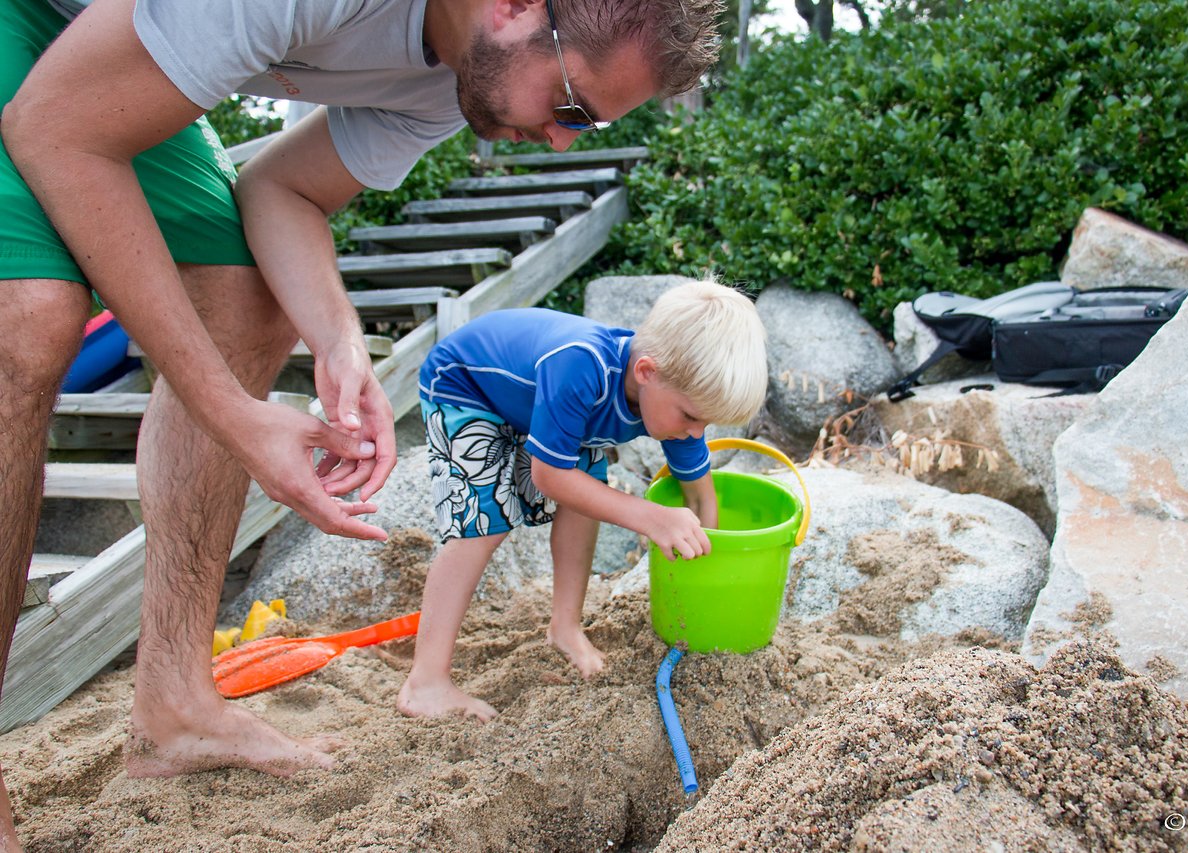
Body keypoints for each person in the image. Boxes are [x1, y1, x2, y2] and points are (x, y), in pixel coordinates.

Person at [0, 0, 725, 846]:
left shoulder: (453, 71)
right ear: (515, 7)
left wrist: (340, 342)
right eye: (573, 107)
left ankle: (176, 702)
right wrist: (235, 415)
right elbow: (58, 127)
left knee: (247, 301)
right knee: (32, 322)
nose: (564, 140)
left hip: (123, 46)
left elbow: (283, 189)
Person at [400, 279, 767, 720]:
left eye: (705, 422)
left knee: (586, 499)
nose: (694, 433)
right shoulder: (581, 365)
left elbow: (701, 497)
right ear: (646, 372)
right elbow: (550, 475)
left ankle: (565, 626)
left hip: (539, 403)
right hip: (467, 385)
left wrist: (712, 568)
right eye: (690, 417)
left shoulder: (676, 399)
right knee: (483, 522)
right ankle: (425, 683)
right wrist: (651, 518)